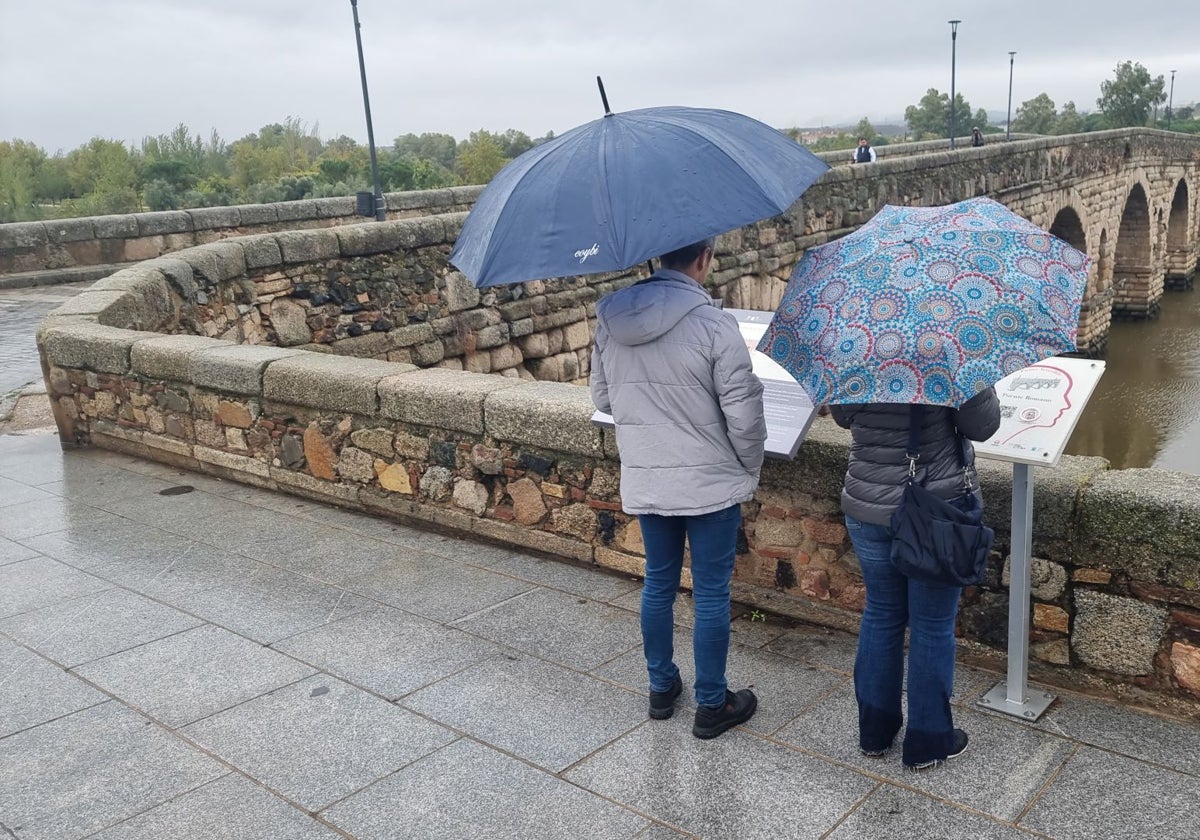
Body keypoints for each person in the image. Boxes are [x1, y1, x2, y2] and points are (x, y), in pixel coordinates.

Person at [590, 237, 767, 739]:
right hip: (709, 481)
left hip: (648, 477)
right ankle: (713, 705)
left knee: (659, 584)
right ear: (704, 258)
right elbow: (745, 416)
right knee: (711, 593)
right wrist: (746, 468)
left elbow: (604, 398)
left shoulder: (609, 319)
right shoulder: (714, 323)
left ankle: (661, 687)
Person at [830, 388, 1000, 770]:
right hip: (934, 507)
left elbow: (843, 417)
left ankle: (874, 734)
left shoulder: (856, 341)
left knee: (881, 614)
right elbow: (981, 426)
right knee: (932, 627)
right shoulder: (946, 345)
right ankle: (928, 740)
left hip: (868, 505)